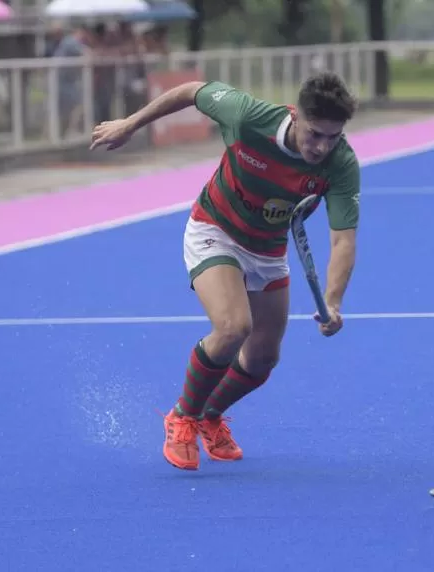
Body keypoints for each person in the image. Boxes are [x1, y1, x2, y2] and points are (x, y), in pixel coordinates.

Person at [89, 72, 361, 471]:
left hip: (267, 249)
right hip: (214, 229)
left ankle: (209, 415)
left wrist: (333, 302)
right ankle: (182, 415)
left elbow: (343, 241)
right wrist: (130, 124)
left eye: (332, 137)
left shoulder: (341, 163)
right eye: (315, 133)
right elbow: (190, 91)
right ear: (297, 116)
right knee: (235, 327)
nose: (321, 146)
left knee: (264, 358)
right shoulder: (249, 116)